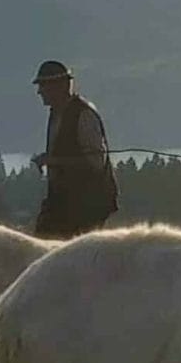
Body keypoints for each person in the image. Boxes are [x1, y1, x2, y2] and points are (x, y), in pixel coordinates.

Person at [30, 59, 118, 239]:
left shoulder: (84, 115)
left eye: (43, 86)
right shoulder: (56, 113)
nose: (39, 92)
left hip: (86, 205)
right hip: (64, 203)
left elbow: (96, 163)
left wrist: (53, 161)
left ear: (60, 86)